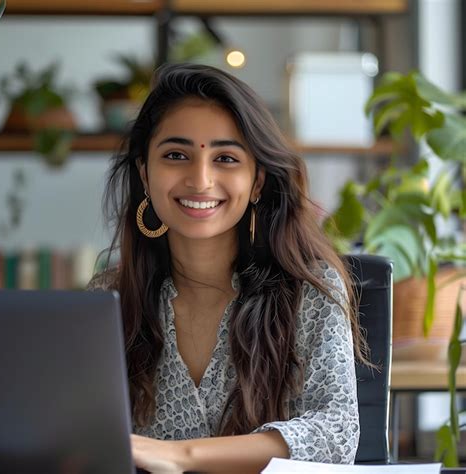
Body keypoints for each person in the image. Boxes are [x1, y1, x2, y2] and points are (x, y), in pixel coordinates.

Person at [88, 62, 368, 473]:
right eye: (176, 155)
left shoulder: (310, 291)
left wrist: (180, 456)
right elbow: (79, 437)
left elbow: (336, 433)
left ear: (257, 181)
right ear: (145, 174)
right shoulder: (106, 301)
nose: (201, 180)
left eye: (226, 158)